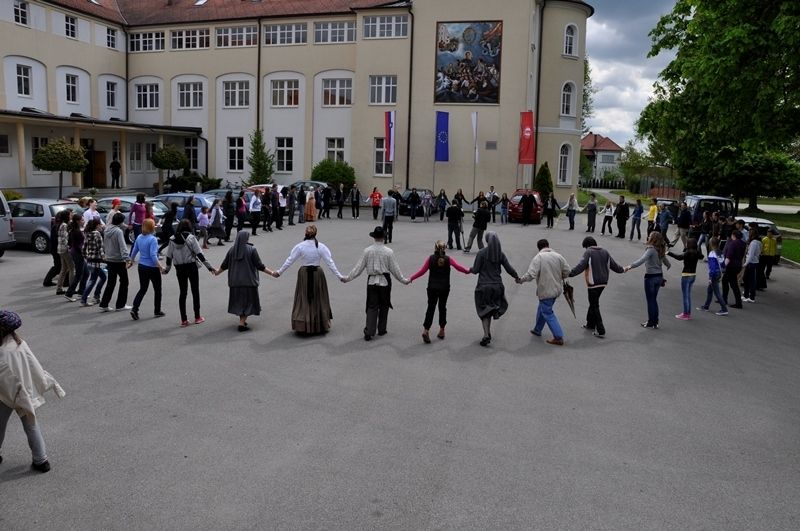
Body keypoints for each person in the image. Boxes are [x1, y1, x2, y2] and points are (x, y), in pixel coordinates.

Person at [0, 310, 65, 473]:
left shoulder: (1, 352)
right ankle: (41, 459)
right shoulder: (21, 344)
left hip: (5, 395)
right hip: (25, 393)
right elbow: (34, 366)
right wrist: (44, 382)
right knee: (31, 425)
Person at [341, 226, 410, 341]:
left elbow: (358, 268)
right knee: (384, 305)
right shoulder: (389, 252)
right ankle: (382, 329)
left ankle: (369, 331)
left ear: (374, 237)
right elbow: (395, 269)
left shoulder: (367, 251)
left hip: (372, 281)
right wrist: (404, 280)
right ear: (383, 237)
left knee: (372, 306)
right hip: (385, 281)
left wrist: (348, 278)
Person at [273, 225, 343, 335]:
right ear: (316, 234)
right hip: (317, 274)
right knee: (318, 298)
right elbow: (330, 263)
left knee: (304, 298)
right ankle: (318, 324)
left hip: (304, 274)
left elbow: (290, 260)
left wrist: (279, 272)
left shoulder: (300, 246)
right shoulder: (321, 247)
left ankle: (304, 324)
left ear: (305, 233)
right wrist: (340, 276)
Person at [409, 241, 470, 343]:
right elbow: (458, 267)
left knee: (431, 308)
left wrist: (411, 278)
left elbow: (422, 271)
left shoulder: (430, 258)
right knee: (442, 308)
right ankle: (442, 330)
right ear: (445, 248)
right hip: (444, 288)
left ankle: (426, 330)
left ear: (435, 248)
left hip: (432, 288)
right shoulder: (448, 259)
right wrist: (468, 271)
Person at [214, 231, 275, 332]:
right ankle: (241, 324)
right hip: (248, 282)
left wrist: (217, 272)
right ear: (246, 238)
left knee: (240, 303)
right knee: (248, 303)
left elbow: (225, 265)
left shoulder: (232, 250)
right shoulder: (252, 249)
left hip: (234, 282)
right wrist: (272, 273)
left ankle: (242, 321)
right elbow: (260, 266)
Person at [567, 236, 624, 338]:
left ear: (587, 245)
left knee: (594, 305)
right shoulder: (605, 252)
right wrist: (622, 269)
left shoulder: (588, 252)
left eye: (585, 247)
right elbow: (614, 265)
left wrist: (570, 273)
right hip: (603, 283)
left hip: (593, 283)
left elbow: (581, 266)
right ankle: (590, 324)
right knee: (593, 302)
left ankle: (600, 329)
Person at [469, 232, 519, 347]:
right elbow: (509, 269)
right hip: (497, 286)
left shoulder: (481, 253)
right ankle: (488, 332)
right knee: (490, 309)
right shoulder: (500, 254)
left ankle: (486, 334)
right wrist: (516, 276)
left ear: (487, 241)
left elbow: (475, 270)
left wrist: (469, 269)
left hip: (483, 286)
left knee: (484, 310)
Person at [518, 239, 571, 345]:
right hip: (556, 289)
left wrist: (521, 280)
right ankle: (537, 329)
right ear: (548, 245)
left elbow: (531, 275)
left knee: (547, 312)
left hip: (546, 290)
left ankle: (558, 336)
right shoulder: (558, 256)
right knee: (542, 308)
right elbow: (567, 271)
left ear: (539, 248)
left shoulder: (539, 257)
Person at [163, 219, 215, 327]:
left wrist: (167, 269)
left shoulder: (172, 239)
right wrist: (210, 267)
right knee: (195, 291)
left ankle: (184, 320)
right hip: (191, 267)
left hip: (179, 268)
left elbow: (169, 256)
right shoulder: (191, 238)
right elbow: (200, 254)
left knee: (183, 293)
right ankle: (197, 317)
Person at [625, 231, 671, 329]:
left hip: (651, 277)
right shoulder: (660, 249)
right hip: (659, 277)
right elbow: (667, 262)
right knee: (654, 300)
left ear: (653, 239)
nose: (648, 237)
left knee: (651, 301)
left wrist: (630, 266)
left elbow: (642, 259)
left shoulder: (651, 249)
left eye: (650, 236)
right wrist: (667, 266)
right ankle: (655, 321)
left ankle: (651, 322)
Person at [128, 219, 164, 320]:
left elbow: (134, 251)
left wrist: (131, 261)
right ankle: (157, 310)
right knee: (157, 289)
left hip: (142, 266)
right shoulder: (153, 239)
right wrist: (160, 266)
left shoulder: (139, 237)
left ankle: (135, 308)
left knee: (143, 288)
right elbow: (153, 255)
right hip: (152, 267)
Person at [99, 212, 132, 312]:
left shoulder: (107, 229)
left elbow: (104, 244)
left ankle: (104, 303)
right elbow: (123, 246)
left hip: (109, 259)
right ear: (120, 222)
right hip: (118, 260)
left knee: (111, 282)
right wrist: (127, 259)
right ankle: (120, 304)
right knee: (124, 281)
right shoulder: (118, 231)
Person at [668, 237, 703, 320]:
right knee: (688, 295)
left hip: (686, 275)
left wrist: (669, 253)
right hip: (693, 275)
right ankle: (688, 313)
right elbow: (701, 256)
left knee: (685, 296)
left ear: (688, 245)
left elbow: (678, 257)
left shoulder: (687, 253)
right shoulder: (697, 253)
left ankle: (685, 314)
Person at [697, 237, 728, 316]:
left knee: (717, 292)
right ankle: (706, 306)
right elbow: (723, 264)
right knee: (710, 290)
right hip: (719, 273)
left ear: (711, 244)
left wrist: (710, 277)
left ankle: (724, 309)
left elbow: (712, 267)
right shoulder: (720, 252)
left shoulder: (712, 253)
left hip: (714, 274)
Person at [80, 219, 107, 307]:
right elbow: (100, 248)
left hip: (89, 259)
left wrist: (86, 256)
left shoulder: (88, 234)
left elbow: (84, 248)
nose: (101, 226)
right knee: (92, 280)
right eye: (100, 224)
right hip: (96, 260)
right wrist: (104, 258)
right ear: (97, 225)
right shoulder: (97, 234)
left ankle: (96, 295)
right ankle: (84, 299)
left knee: (103, 277)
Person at [64, 214, 87, 302]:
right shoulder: (77, 231)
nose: (83, 221)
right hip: (78, 254)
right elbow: (78, 246)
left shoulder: (74, 230)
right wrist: (84, 254)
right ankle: (69, 293)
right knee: (79, 274)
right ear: (78, 221)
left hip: (76, 252)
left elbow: (70, 242)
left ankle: (81, 292)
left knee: (86, 273)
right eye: (82, 220)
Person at [721, 229, 745, 309]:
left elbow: (729, 256)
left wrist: (723, 266)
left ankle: (736, 302)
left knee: (732, 284)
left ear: (733, 235)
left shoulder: (733, 243)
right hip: (738, 265)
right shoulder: (742, 243)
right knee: (727, 281)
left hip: (731, 266)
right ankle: (725, 299)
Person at [54, 210, 73, 295]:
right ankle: (71, 289)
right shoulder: (64, 225)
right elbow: (65, 238)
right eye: (70, 214)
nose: (71, 215)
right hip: (65, 250)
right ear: (67, 216)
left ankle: (59, 288)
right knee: (72, 269)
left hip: (61, 249)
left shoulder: (61, 224)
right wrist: (69, 248)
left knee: (64, 269)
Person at [42, 215, 63, 288]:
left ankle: (49, 281)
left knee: (60, 266)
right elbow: (56, 239)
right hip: (56, 249)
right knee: (58, 266)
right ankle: (47, 281)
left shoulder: (57, 226)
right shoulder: (56, 227)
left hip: (56, 249)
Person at [742, 228, 761, 303]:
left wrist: (745, 264)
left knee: (750, 280)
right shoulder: (758, 242)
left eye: (749, 233)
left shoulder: (753, 243)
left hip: (751, 263)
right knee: (747, 279)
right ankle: (746, 295)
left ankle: (751, 297)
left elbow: (751, 255)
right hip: (753, 262)